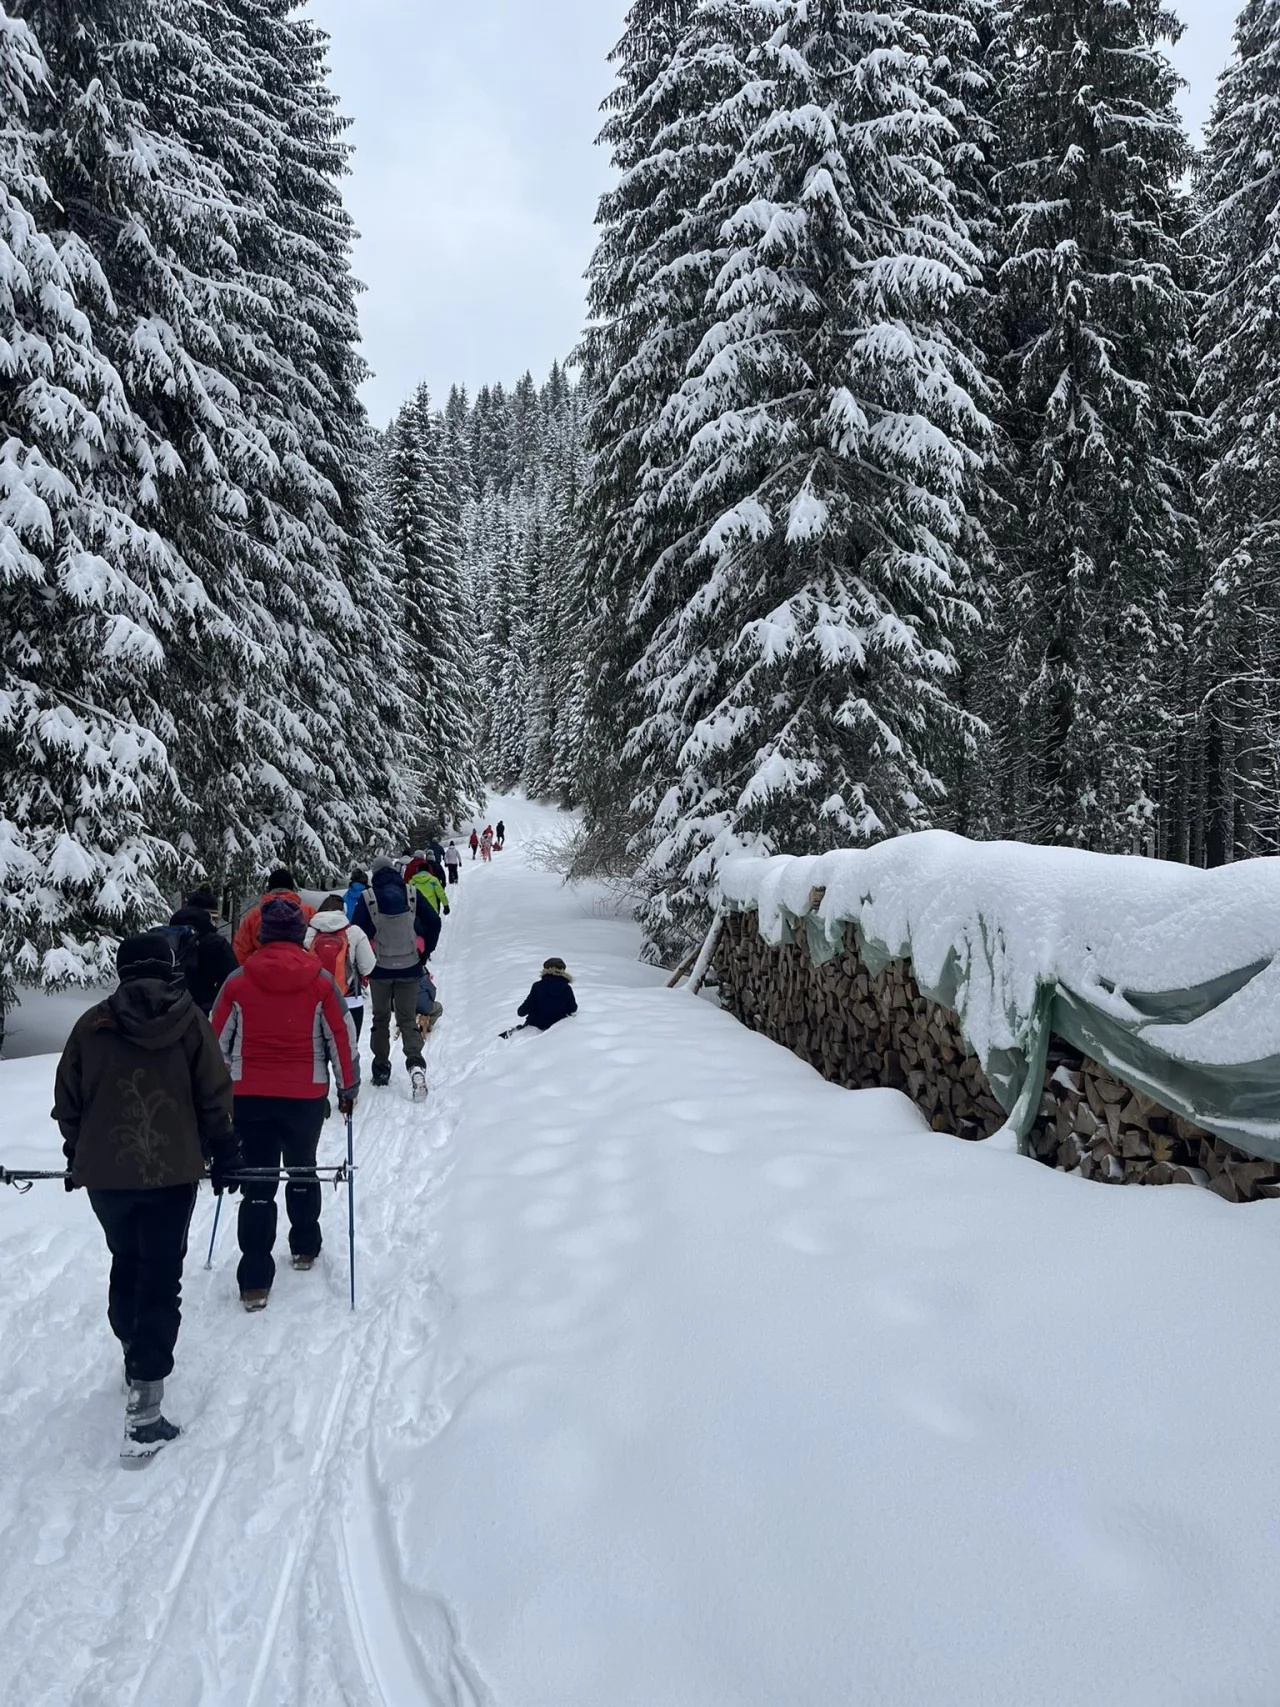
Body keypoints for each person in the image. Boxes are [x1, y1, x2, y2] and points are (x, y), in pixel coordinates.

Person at [53, 933, 239, 1465]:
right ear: (168, 968)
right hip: (171, 1173)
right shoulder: (189, 1021)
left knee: (127, 1260)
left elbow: (67, 1099)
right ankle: (145, 1411)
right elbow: (214, 1092)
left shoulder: (92, 1024)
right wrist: (224, 1148)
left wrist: (79, 1149)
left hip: (107, 1176)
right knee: (160, 1276)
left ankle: (134, 1350)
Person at [211, 899, 359, 1310]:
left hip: (249, 1096)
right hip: (305, 1095)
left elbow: (215, 1042)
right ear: (300, 935)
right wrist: (347, 1088)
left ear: (262, 935)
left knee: (258, 1179)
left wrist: (216, 1095)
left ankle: (255, 1280)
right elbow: (341, 1037)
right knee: (302, 1166)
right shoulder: (320, 981)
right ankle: (305, 1245)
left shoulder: (238, 982)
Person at [352, 858, 438, 1093]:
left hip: (379, 968)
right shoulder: (411, 893)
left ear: (374, 874)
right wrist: (425, 953)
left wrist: (362, 962)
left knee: (380, 1018)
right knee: (407, 1018)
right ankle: (416, 1066)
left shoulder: (368, 897)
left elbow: (355, 932)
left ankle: (381, 1069)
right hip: (410, 966)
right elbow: (434, 921)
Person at [306, 893, 375, 1040]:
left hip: (315, 1002)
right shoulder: (354, 932)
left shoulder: (308, 933)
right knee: (349, 1048)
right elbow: (368, 966)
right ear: (343, 911)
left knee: (318, 1049)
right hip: (350, 1001)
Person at [163, 888, 239, 1016]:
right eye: (215, 917)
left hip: (166, 1015)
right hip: (202, 1016)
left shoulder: (166, 938)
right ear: (210, 916)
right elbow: (234, 984)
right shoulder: (216, 943)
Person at [233, 868, 316, 964]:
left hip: (263, 969)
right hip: (302, 968)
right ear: (292, 888)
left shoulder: (254, 915)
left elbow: (241, 951)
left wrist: (250, 969)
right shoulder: (309, 912)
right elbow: (316, 946)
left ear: (268, 888)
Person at [517, 958, 578, 1032]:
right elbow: (573, 1009)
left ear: (546, 970)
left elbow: (522, 1011)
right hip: (557, 1028)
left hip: (535, 1026)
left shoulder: (537, 986)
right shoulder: (567, 988)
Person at [407, 861, 450, 954]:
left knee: (419, 930)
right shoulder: (433, 880)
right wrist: (446, 905)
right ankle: (427, 950)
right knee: (430, 930)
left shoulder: (412, 882)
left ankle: (419, 948)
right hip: (431, 909)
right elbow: (441, 893)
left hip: (417, 910)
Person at [415, 963, 445, 1038]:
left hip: (408, 1007)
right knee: (439, 1008)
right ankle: (428, 1026)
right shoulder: (424, 979)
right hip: (424, 1007)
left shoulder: (405, 978)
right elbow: (432, 991)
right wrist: (430, 1001)